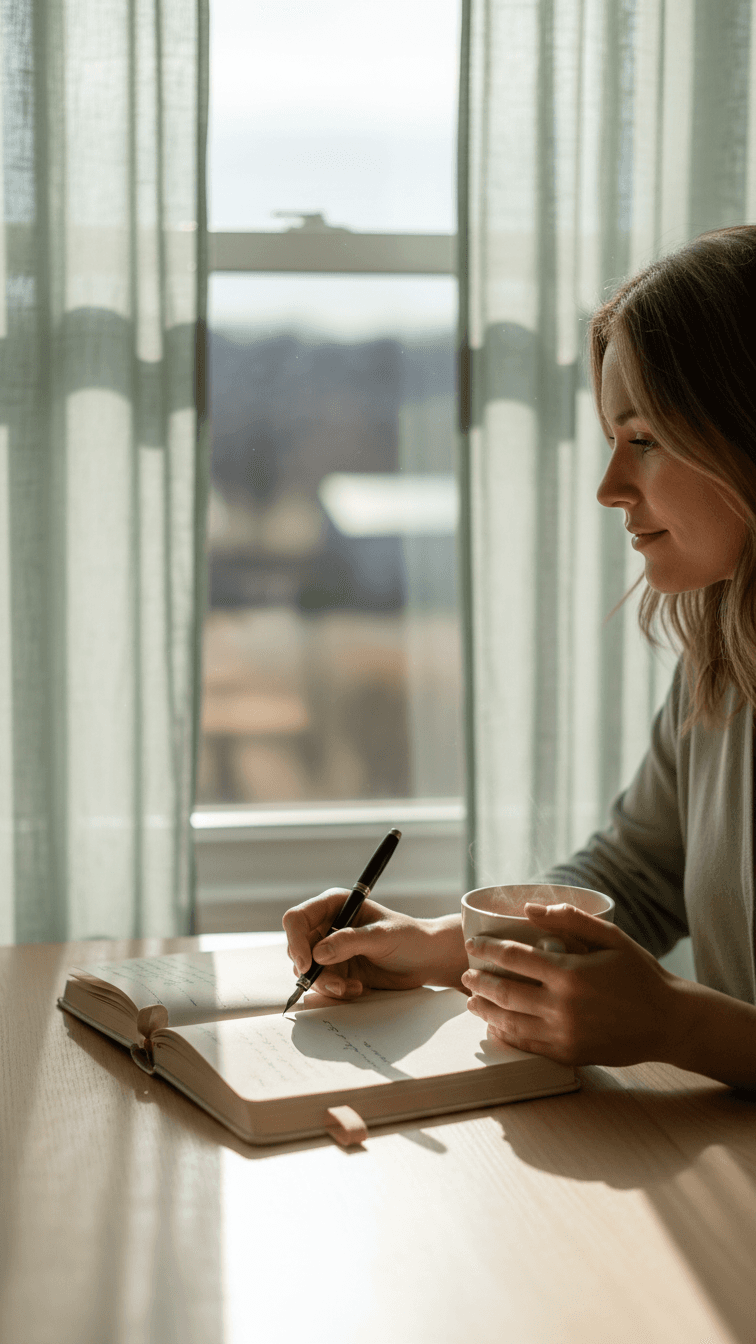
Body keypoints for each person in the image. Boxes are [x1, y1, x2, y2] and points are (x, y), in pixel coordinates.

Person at [283, 226, 756, 1091]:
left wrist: (677, 1022)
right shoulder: (722, 656)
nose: (610, 485)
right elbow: (634, 877)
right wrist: (445, 946)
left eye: (644, 437)